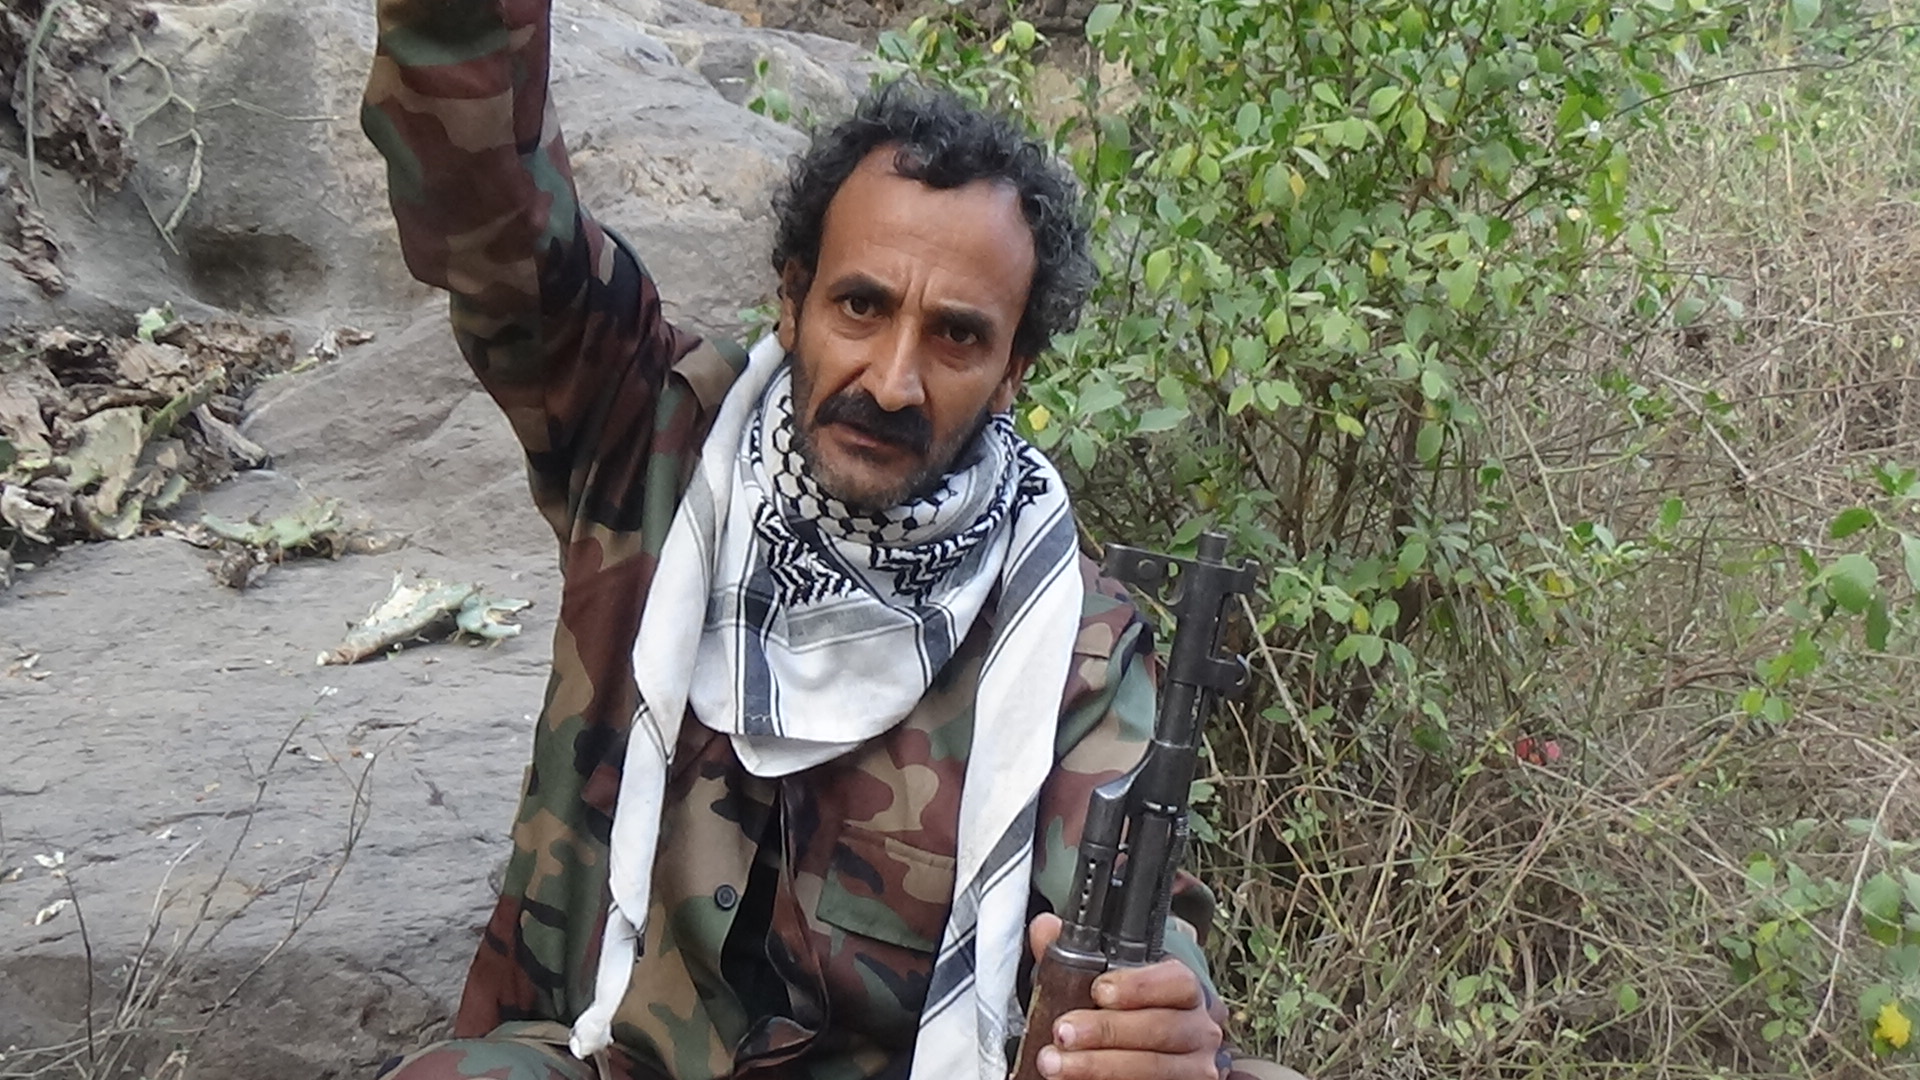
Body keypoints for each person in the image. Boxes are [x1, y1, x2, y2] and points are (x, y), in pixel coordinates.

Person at [361, 3, 1301, 1080]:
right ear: (792, 299)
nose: (892, 382)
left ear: (1013, 373)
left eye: (957, 336)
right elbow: (486, 204)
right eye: (860, 306)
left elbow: (1135, 903)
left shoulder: (1069, 636)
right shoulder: (648, 435)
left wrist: (1161, 1022)